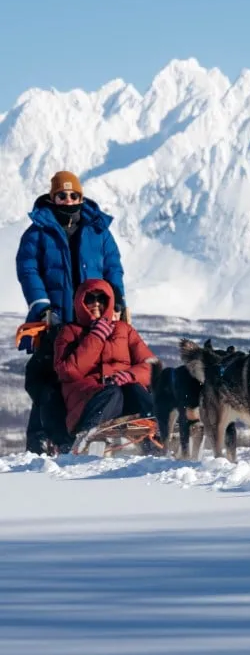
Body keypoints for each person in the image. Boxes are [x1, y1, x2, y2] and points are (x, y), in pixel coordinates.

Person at [16, 170, 128, 452]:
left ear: (80, 196)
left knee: (94, 376)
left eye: (73, 194)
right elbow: (28, 269)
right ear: (52, 197)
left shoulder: (98, 230)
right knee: (48, 378)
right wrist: (40, 304)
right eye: (62, 195)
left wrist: (117, 300)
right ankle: (40, 439)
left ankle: (90, 433)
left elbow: (113, 266)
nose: (68, 199)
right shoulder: (37, 232)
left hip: (94, 316)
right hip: (57, 318)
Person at [54, 279, 155, 440]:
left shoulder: (125, 330)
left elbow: (151, 366)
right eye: (89, 299)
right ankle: (87, 436)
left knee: (133, 389)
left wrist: (130, 375)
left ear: (109, 302)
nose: (95, 304)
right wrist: (95, 337)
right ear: (80, 303)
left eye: (101, 299)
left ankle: (159, 432)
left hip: (124, 394)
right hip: (88, 400)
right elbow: (67, 372)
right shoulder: (69, 332)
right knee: (112, 393)